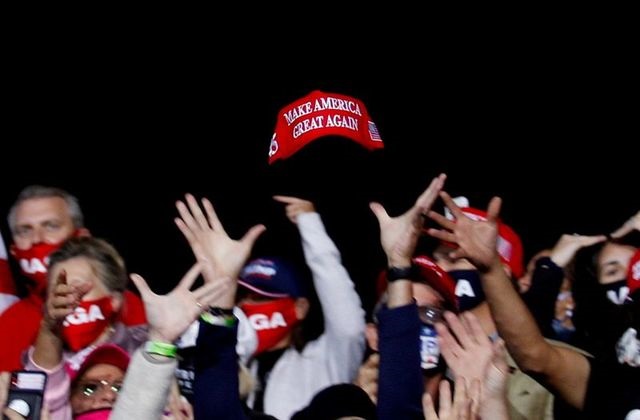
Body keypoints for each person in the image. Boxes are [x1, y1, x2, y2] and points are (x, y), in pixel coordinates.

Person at [427, 192, 640, 418]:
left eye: (455, 260)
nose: (443, 267)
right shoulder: (616, 384)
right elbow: (534, 356)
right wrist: (490, 268)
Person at [234, 195, 366, 419]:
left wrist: (311, 226)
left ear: (300, 307)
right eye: (244, 297)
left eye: (260, 297)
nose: (246, 305)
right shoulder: (230, 367)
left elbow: (348, 323)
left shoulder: (325, 363)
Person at [0, 186, 146, 372]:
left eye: (51, 226)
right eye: (25, 230)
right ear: (13, 249)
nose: (37, 239)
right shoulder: (10, 323)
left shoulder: (124, 305)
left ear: (81, 236)